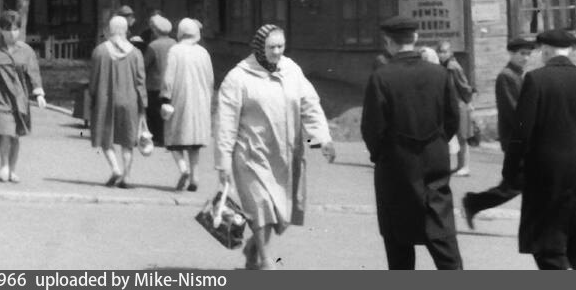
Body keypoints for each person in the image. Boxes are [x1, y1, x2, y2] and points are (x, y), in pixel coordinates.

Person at [216, 24, 337, 270]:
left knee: (278, 209)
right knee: (260, 206)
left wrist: (322, 138)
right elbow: (226, 122)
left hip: (284, 153)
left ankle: (252, 248)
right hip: (250, 153)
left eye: (281, 46)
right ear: (260, 48)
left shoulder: (291, 70)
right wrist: (223, 161)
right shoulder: (238, 77)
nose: (277, 52)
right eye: (272, 47)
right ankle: (264, 259)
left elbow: (310, 105)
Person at [501, 28, 576, 270]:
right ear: (569, 50)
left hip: (544, 173)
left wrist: (510, 170)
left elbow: (521, 132)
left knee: (547, 247)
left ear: (546, 50)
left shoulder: (535, 80)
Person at [361, 15, 462, 270]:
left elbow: (372, 129)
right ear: (415, 38)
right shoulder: (439, 74)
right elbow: (452, 119)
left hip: (396, 170)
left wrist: (383, 156)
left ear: (388, 42)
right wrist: (435, 145)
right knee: (444, 243)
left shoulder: (381, 77)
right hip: (434, 169)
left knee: (399, 249)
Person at [461, 35, 537, 229]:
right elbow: (513, 111)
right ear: (511, 53)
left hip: (521, 140)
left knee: (525, 183)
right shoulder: (507, 76)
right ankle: (472, 203)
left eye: (528, 54)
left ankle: (474, 203)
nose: (525, 58)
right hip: (516, 141)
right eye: (521, 54)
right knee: (514, 185)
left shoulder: (519, 75)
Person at [0, 10, 47, 183]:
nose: (12, 33)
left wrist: (39, 93)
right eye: (8, 29)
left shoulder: (26, 51)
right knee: (4, 133)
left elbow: (34, 73)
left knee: (15, 135)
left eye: (16, 29)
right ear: (1, 30)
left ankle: (13, 169)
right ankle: (4, 165)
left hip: (20, 100)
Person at [87, 14, 147, 188]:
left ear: (110, 29)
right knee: (128, 141)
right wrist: (143, 105)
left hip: (106, 100)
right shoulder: (136, 53)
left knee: (106, 137)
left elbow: (94, 79)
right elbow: (141, 81)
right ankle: (127, 175)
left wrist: (92, 97)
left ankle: (115, 169)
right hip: (129, 100)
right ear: (126, 30)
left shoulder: (100, 51)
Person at [160, 17, 214, 193]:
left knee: (174, 138)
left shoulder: (175, 51)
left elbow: (169, 78)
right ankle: (195, 177)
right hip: (200, 101)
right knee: (194, 142)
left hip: (179, 99)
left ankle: (183, 169)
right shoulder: (203, 53)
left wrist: (165, 98)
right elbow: (211, 79)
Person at [436, 40, 474, 177]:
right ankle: (459, 165)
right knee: (456, 136)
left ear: (450, 53)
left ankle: (465, 166)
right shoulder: (443, 66)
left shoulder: (453, 66)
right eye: (439, 52)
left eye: (444, 52)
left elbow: (464, 86)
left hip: (460, 105)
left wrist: (468, 102)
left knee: (462, 137)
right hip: (451, 105)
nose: (442, 55)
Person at [142, 14, 176, 150]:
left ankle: (158, 138)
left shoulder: (153, 46)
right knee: (167, 111)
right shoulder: (174, 43)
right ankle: (168, 137)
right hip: (171, 83)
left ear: (155, 30)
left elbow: (144, 65)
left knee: (154, 112)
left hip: (154, 84)